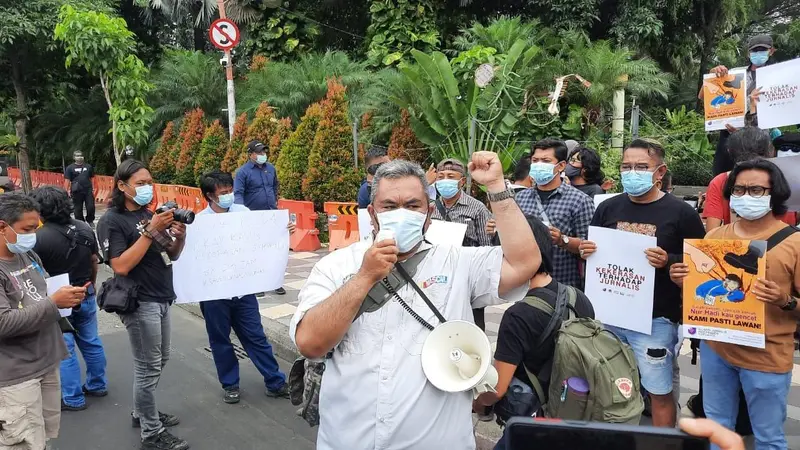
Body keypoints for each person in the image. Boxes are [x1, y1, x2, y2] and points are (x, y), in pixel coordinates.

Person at [290, 154, 540, 449]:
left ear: (429, 213)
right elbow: (310, 343)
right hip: (348, 439)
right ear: (372, 213)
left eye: (412, 206)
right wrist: (364, 278)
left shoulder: (457, 262)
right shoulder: (336, 266)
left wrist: (497, 186)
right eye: (389, 206)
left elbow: (525, 263)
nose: (402, 214)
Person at [671, 158, 800, 450]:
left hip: (766, 356)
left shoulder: (794, 244)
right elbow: (701, 291)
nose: (745, 196)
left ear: (774, 193)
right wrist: (684, 281)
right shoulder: (715, 237)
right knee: (717, 431)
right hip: (717, 351)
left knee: (769, 438)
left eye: (756, 190)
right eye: (739, 190)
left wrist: (785, 300)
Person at [578, 139, 705, 428]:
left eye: (641, 167)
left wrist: (669, 260)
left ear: (660, 172)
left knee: (658, 392)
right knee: (609, 388)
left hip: (655, 320)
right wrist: (586, 252)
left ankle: (663, 443)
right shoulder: (608, 208)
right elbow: (597, 251)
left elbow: (700, 264)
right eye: (626, 166)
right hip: (609, 317)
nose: (632, 172)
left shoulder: (681, 213)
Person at [473, 214, 595, 450]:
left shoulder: (519, 315)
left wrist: (478, 404)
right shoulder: (578, 296)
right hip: (573, 411)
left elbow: (497, 389)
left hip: (532, 422)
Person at [96, 159, 189, 450]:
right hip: (139, 301)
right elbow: (120, 266)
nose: (148, 187)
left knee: (159, 360)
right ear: (122, 186)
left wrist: (179, 238)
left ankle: (142, 411)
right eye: (140, 183)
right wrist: (150, 231)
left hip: (162, 295)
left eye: (150, 182)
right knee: (147, 367)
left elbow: (170, 254)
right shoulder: (112, 220)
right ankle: (151, 432)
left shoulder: (151, 214)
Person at [198, 170, 293, 404]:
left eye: (230, 191)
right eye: (223, 193)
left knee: (256, 336)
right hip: (214, 293)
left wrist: (281, 231)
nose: (228, 195)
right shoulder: (199, 223)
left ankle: (275, 381)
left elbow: (260, 239)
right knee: (220, 340)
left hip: (242, 291)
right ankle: (230, 384)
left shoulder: (243, 213)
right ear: (210, 196)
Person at [0, 193, 86, 449]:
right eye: (26, 229)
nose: (31, 236)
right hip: (16, 376)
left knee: (43, 438)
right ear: (2, 226)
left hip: (46, 362)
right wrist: (53, 303)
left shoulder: (28, 257)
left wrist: (67, 298)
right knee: (22, 442)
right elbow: (3, 323)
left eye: (34, 228)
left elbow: (44, 291)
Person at [31, 186, 107, 412]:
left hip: (58, 298)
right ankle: (97, 384)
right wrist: (91, 284)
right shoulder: (84, 228)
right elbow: (94, 261)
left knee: (65, 349)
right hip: (85, 291)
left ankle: (72, 398)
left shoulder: (38, 238)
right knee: (91, 341)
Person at [516, 138, 595, 289]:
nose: (539, 165)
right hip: (524, 284)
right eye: (535, 160)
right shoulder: (521, 197)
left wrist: (562, 240)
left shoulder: (580, 201)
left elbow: (588, 247)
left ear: (561, 166)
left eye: (545, 161)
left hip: (562, 284)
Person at [431, 158, 494, 332]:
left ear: (462, 181)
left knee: (472, 323)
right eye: (440, 176)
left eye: (450, 176)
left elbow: (486, 247)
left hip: (467, 274)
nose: (445, 181)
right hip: (437, 274)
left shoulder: (477, 208)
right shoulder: (430, 208)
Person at [703, 35, 776, 175]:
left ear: (771, 51)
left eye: (763, 50)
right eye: (755, 50)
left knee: (754, 178)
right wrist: (712, 74)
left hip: (759, 139)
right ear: (749, 53)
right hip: (729, 134)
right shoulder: (735, 73)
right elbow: (704, 96)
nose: (758, 54)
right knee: (722, 178)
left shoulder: (777, 76)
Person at [703, 127, 795, 231]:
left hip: (734, 245)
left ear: (729, 151)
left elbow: (711, 232)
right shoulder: (791, 179)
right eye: (738, 190)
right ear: (771, 151)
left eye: (756, 190)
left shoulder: (720, 181)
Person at [234, 140, 286, 295]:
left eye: (264, 152)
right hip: (253, 217)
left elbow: (275, 186)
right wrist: (240, 214)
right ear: (251, 154)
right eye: (259, 152)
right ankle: (257, 284)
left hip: (271, 215)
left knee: (273, 250)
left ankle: (275, 281)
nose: (263, 155)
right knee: (255, 251)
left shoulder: (271, 168)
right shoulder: (243, 172)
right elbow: (238, 194)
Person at [64, 150, 95, 226]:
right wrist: (65, 191)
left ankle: (90, 220)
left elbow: (92, 178)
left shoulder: (88, 167)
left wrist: (93, 188)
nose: (79, 157)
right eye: (77, 156)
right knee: (77, 209)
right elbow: (67, 180)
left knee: (90, 206)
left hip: (88, 190)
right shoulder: (70, 168)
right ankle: (81, 223)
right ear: (74, 157)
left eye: (81, 155)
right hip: (76, 191)